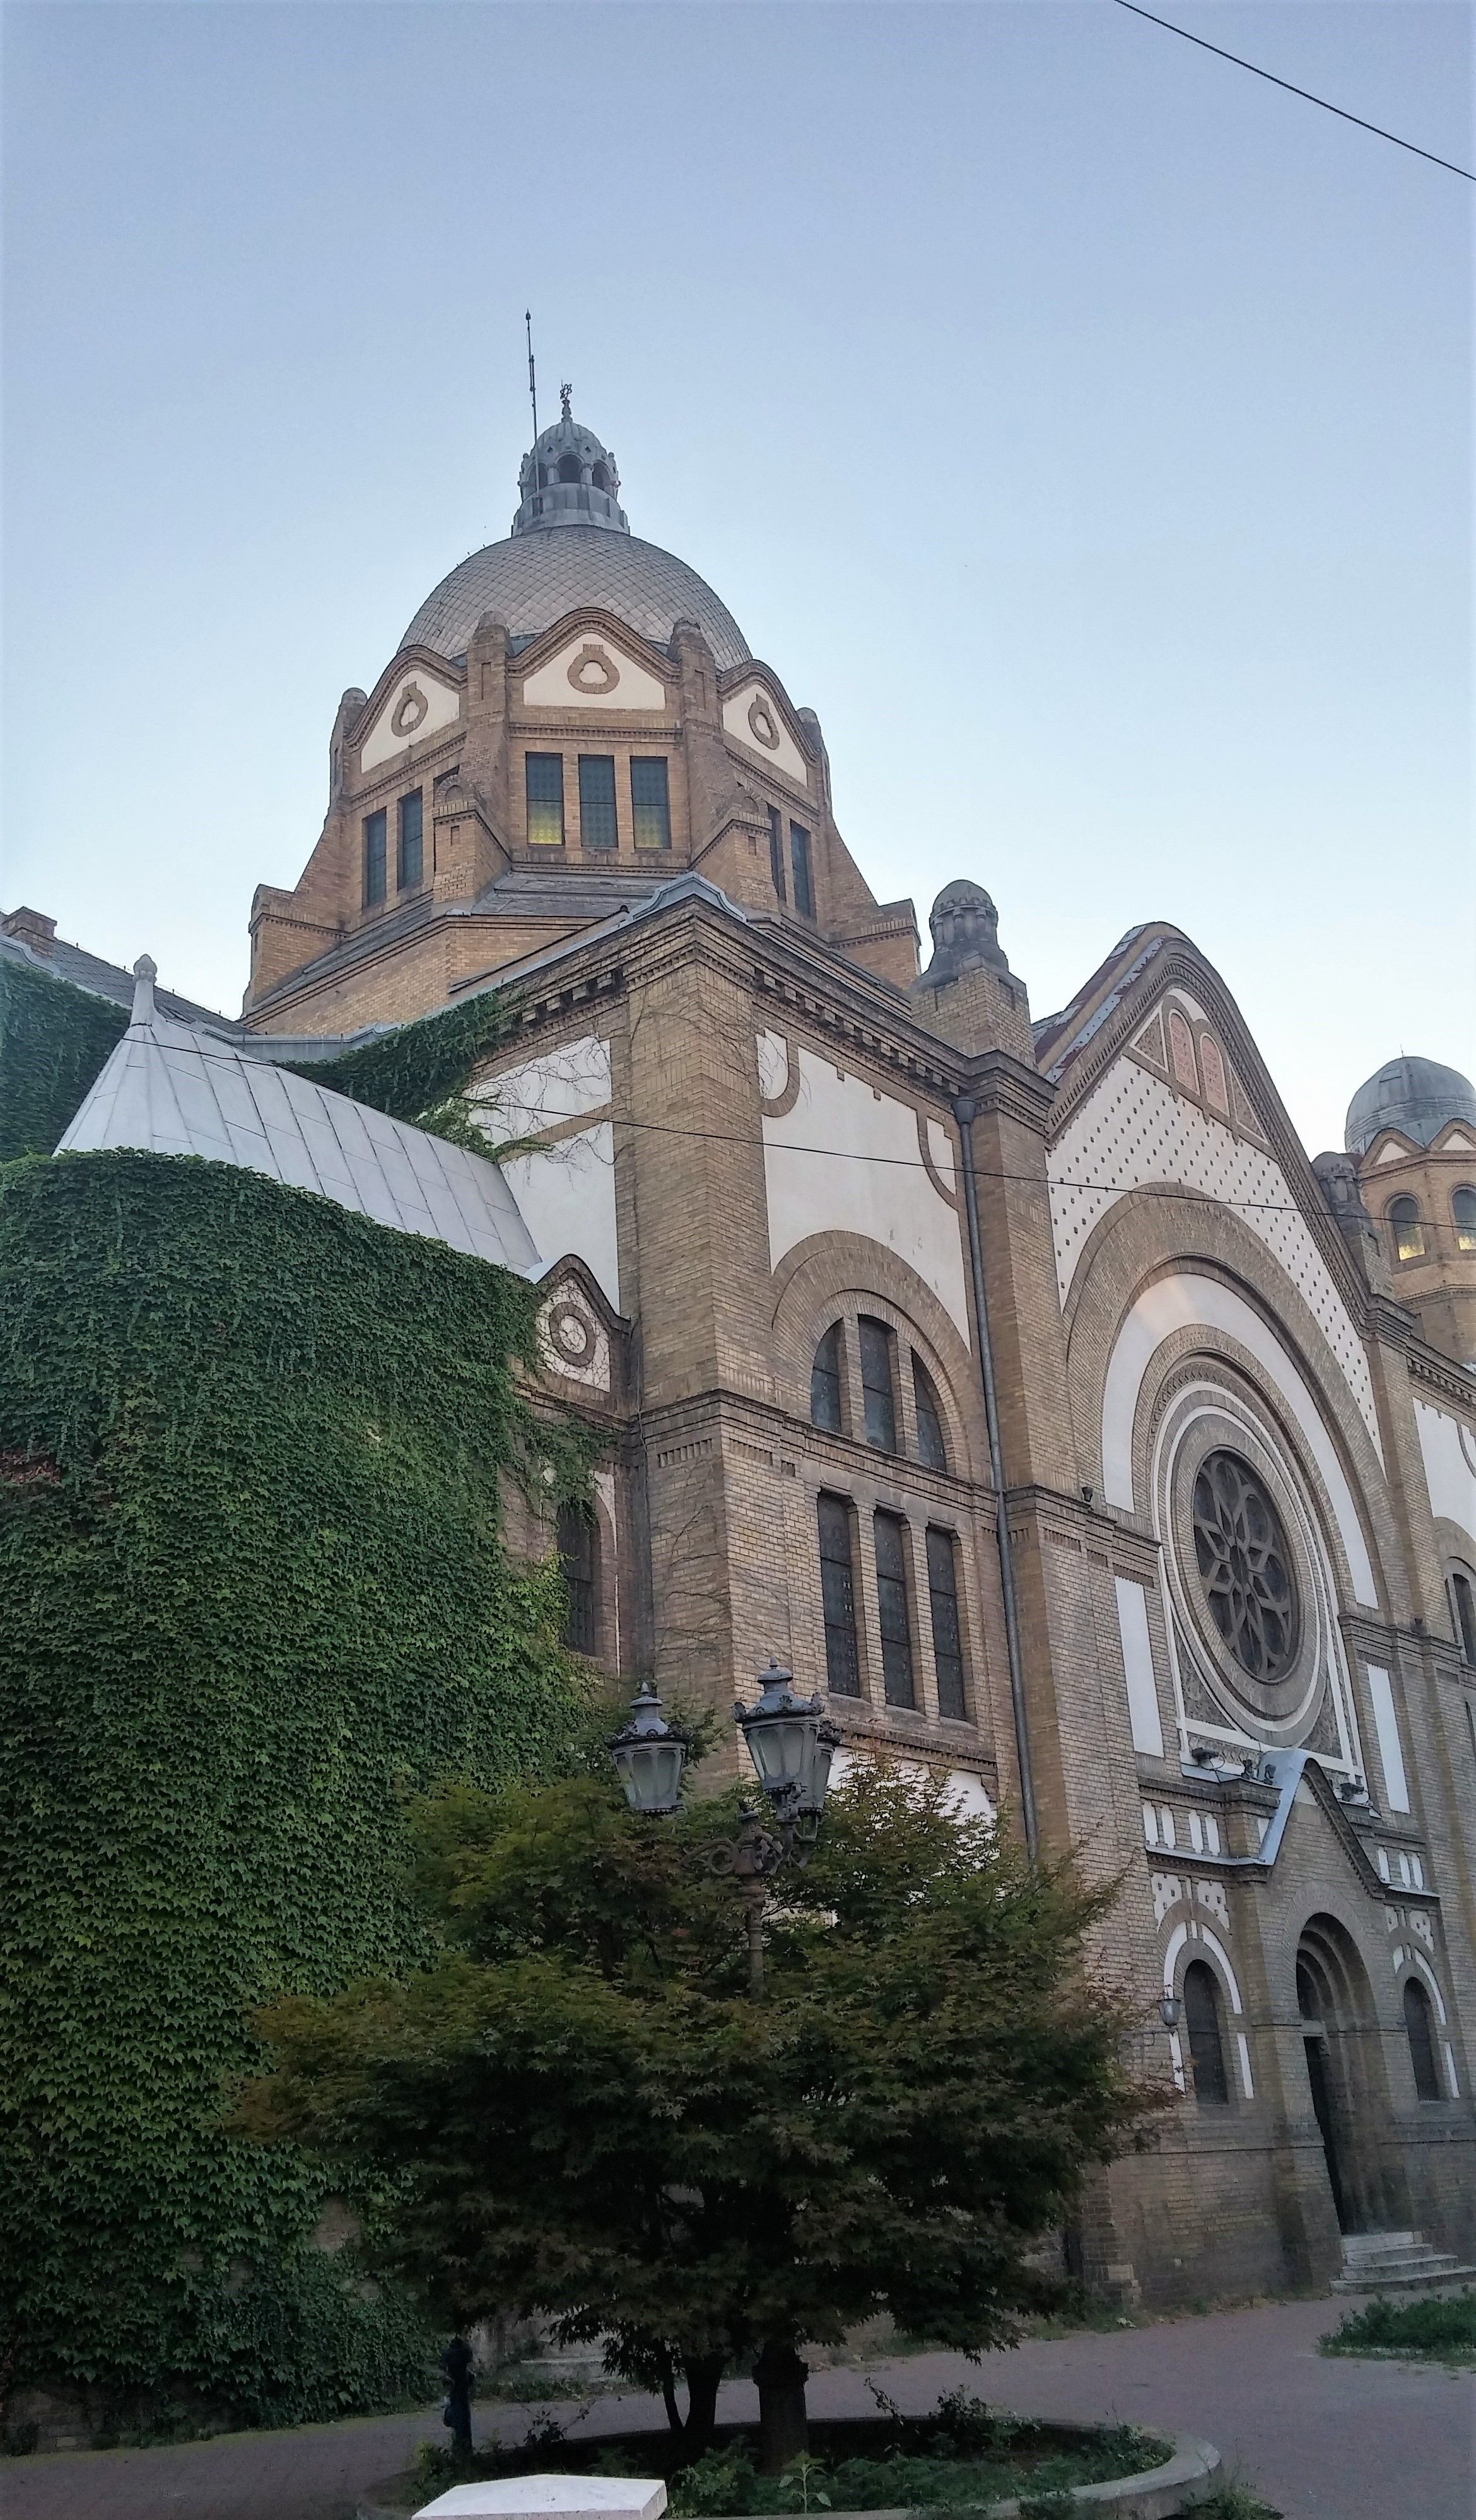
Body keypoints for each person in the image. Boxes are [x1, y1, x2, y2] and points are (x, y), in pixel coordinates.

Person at [441, 2333, 474, 2456]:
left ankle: (461, 2447)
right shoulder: (465, 2353)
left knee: (458, 2417)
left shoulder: (450, 2356)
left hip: (457, 2390)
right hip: (460, 2390)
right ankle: (464, 2447)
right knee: (461, 2418)